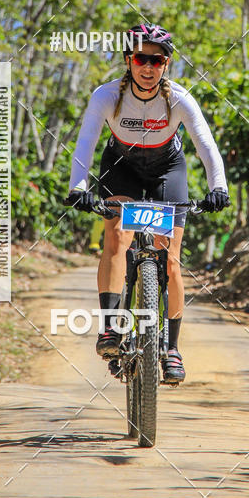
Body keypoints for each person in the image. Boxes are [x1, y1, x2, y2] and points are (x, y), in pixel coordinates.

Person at [65, 22, 230, 383]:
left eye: (157, 60)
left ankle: (171, 347)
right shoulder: (106, 96)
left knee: (170, 259)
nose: (149, 66)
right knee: (117, 237)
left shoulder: (179, 99)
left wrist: (219, 186)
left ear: (166, 64)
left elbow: (206, 145)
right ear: (129, 60)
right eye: (142, 58)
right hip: (120, 167)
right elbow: (86, 143)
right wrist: (79, 186)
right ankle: (110, 328)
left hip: (166, 170)